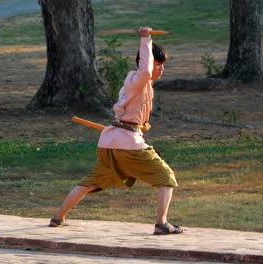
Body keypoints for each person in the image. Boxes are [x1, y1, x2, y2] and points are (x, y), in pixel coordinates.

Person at [48, 26, 183, 235]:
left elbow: (131, 113)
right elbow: (145, 70)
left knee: (92, 182)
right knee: (165, 176)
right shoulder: (140, 79)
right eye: (158, 64)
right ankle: (161, 223)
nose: (161, 69)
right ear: (146, 62)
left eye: (163, 65)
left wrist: (142, 126)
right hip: (126, 142)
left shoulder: (136, 83)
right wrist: (145, 39)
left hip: (112, 139)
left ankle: (58, 217)